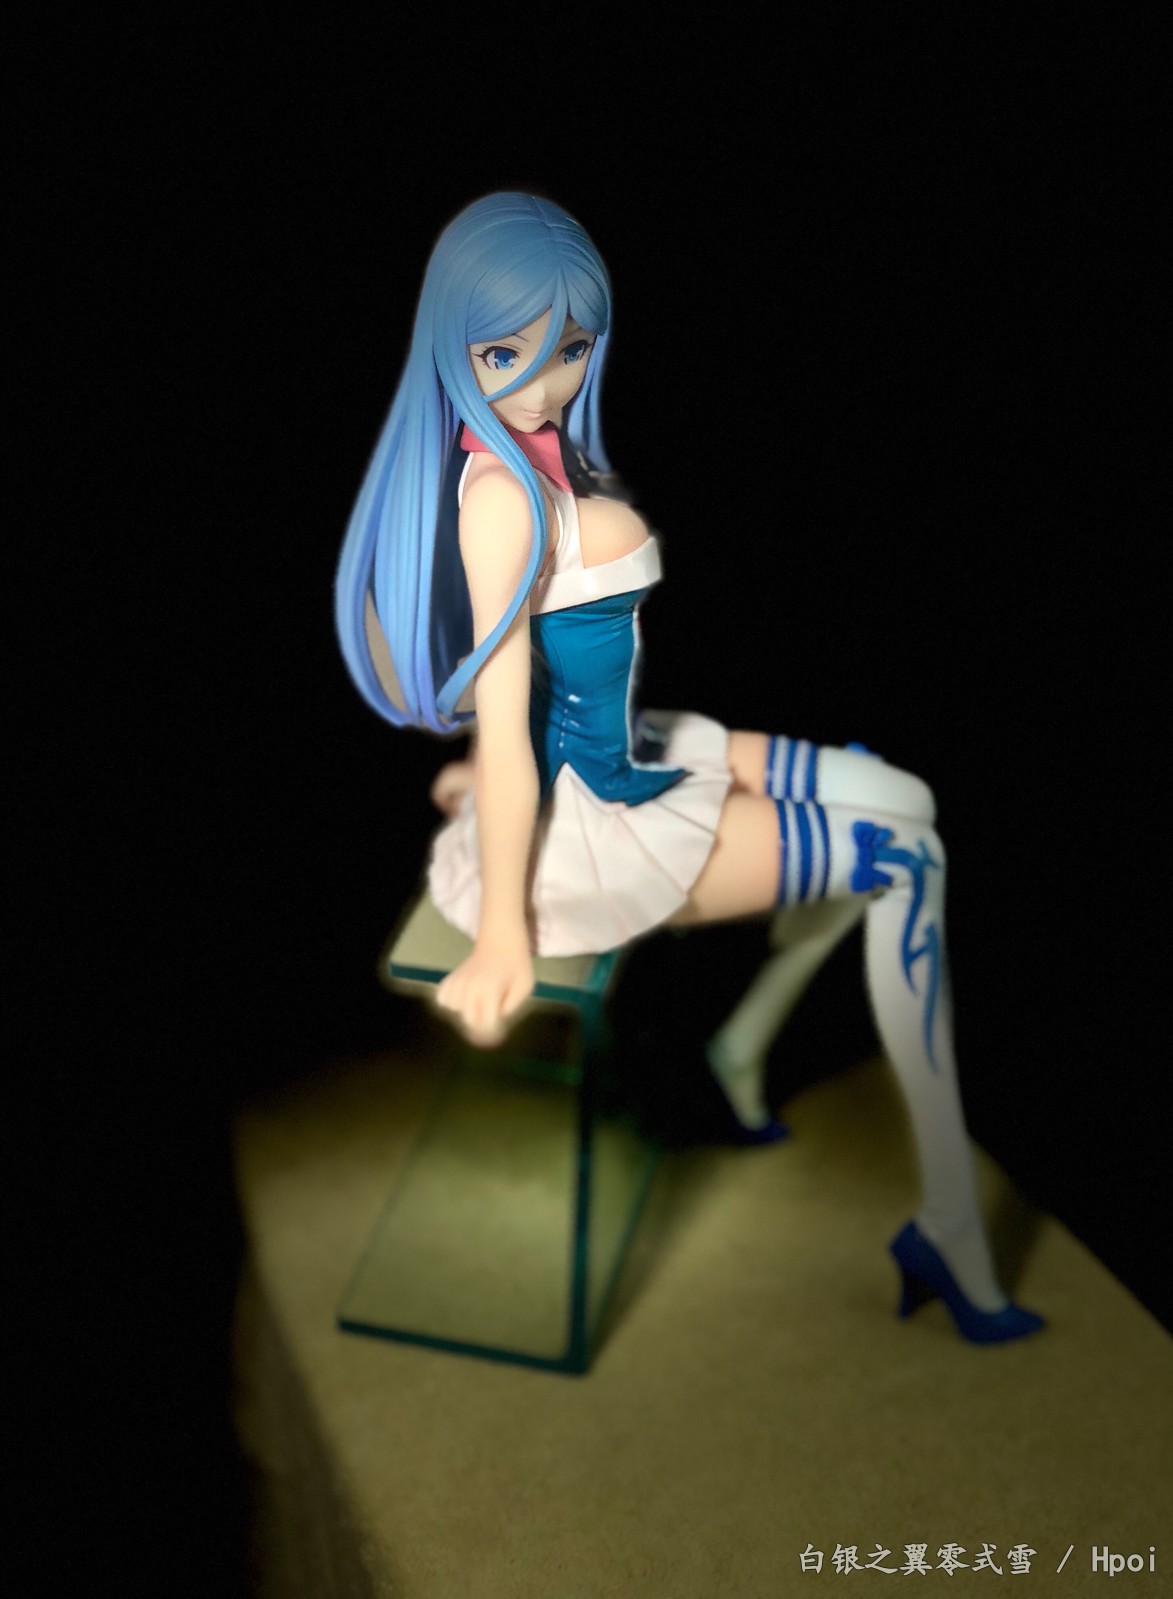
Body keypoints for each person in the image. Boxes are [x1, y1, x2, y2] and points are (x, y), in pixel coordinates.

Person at [335, 192, 1043, 1344]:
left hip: (628, 753)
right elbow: (508, 728)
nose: (544, 381)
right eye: (507, 353)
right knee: (908, 860)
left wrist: (480, 770)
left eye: (568, 348)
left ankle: (736, 1053)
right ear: (455, 346)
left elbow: (529, 682)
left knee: (907, 800)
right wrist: (504, 934)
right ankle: (948, 1227)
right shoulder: (497, 499)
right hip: (591, 826)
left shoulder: (536, 455)